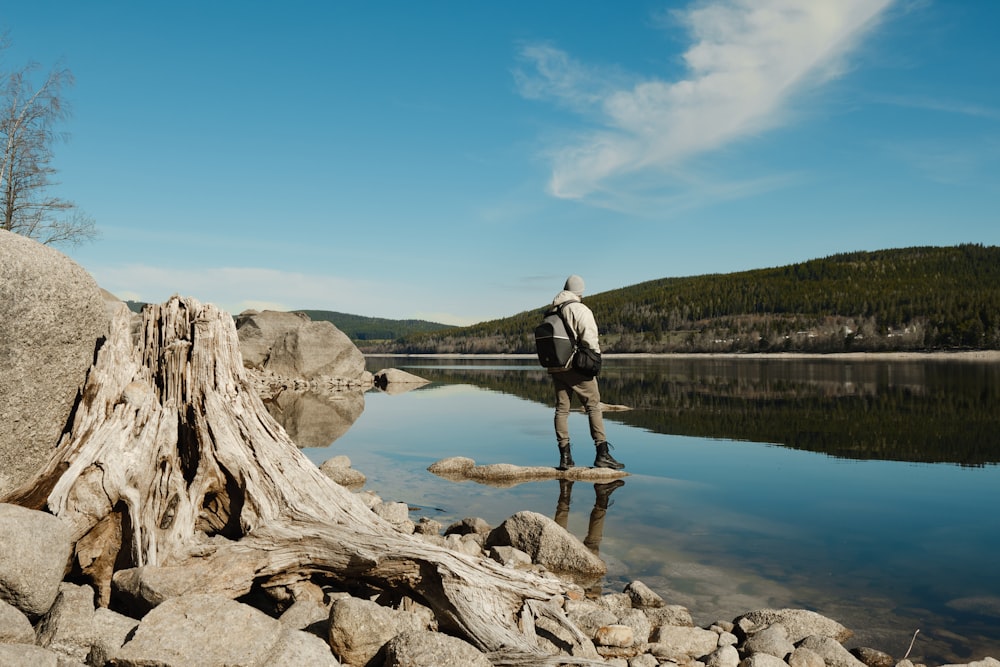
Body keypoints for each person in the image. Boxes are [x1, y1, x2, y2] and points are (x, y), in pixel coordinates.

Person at [548, 274, 624, 470]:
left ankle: (565, 457)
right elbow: (590, 339)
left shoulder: (552, 311)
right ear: (580, 291)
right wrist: (595, 359)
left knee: (561, 409)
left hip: (557, 366)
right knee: (593, 406)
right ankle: (602, 454)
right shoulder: (579, 309)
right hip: (576, 366)